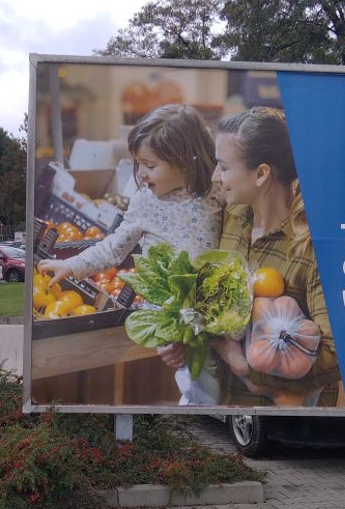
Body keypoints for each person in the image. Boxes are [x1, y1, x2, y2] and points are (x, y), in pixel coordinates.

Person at [38, 103, 223, 404]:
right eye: (138, 164)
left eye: (150, 166)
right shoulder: (145, 202)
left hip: (209, 308)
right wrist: (72, 265)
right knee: (198, 384)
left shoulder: (215, 193)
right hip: (169, 310)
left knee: (214, 378)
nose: (141, 174)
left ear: (186, 162)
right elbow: (113, 247)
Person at [159, 106, 343, 407]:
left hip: (286, 430)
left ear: (261, 174)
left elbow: (337, 355)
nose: (216, 177)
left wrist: (250, 367)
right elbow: (210, 304)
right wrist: (184, 337)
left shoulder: (312, 246)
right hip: (223, 414)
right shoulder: (232, 216)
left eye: (224, 166)